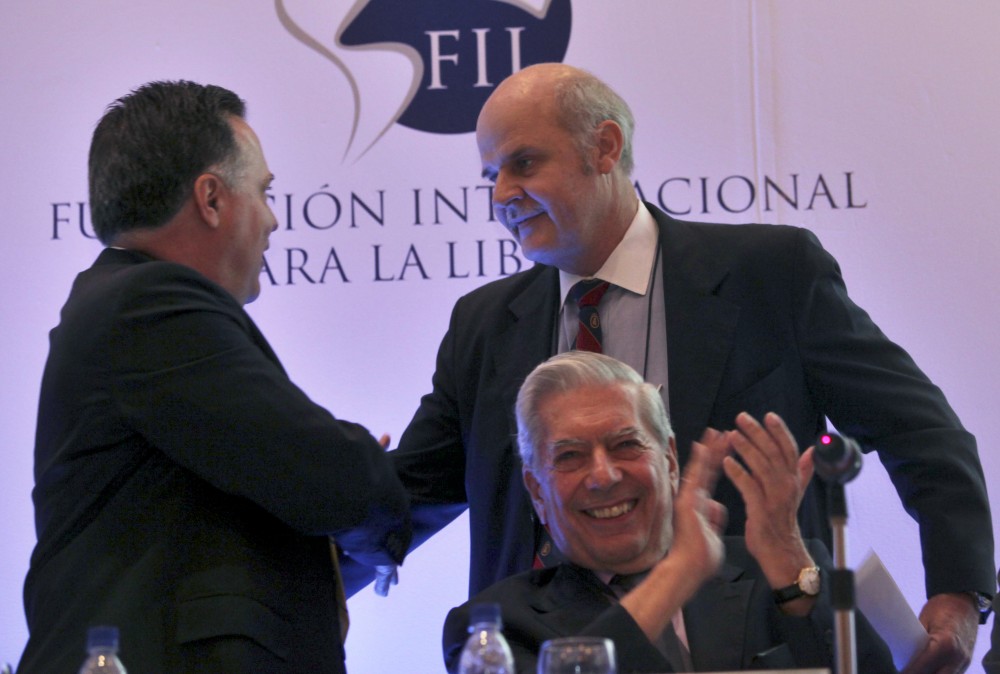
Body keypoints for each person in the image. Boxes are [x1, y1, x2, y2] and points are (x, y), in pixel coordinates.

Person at [367, 62, 994, 673]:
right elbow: (414, 492)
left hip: (753, 648)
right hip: (546, 651)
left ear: (604, 147)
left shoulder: (769, 273)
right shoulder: (482, 323)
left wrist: (960, 593)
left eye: (524, 163)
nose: (502, 194)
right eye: (490, 175)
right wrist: (304, 553)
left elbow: (920, 432)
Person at [17, 81, 410, 674]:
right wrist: (359, 468)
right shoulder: (149, 302)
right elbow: (330, 475)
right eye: (265, 192)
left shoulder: (123, 303)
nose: (275, 220)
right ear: (212, 198)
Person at [443, 352, 896, 673]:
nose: (603, 476)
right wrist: (676, 574)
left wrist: (791, 570)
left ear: (670, 459)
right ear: (536, 490)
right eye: (570, 457)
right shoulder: (494, 625)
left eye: (625, 445)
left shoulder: (778, 570)